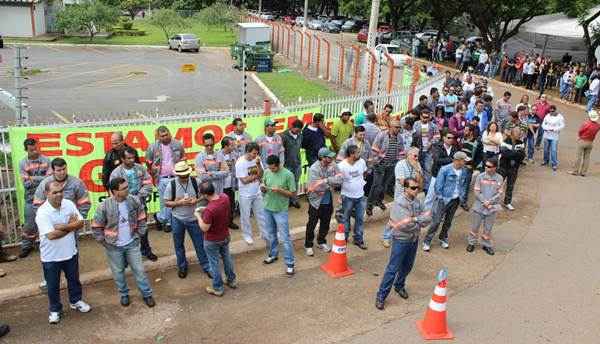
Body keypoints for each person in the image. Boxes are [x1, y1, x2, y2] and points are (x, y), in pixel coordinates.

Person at [92, 177, 155, 307]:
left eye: (127, 187)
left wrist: (139, 234)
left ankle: (147, 294)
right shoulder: (104, 206)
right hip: (113, 247)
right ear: (115, 191)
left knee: (140, 270)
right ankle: (124, 294)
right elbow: (96, 227)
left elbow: (142, 218)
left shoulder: (133, 200)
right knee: (118, 273)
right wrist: (105, 243)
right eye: (124, 188)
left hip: (132, 243)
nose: (128, 190)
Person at [36, 181, 91, 324]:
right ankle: (55, 310)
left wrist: (64, 226)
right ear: (47, 194)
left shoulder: (68, 204)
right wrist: (71, 226)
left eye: (60, 191)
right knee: (53, 285)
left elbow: (80, 222)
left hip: (70, 252)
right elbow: (51, 236)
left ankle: (76, 301)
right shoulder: (42, 212)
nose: (59, 194)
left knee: (74, 280)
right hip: (51, 257)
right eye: (55, 192)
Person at [375, 178, 431, 310]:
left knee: (407, 266)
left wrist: (415, 219)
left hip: (413, 239)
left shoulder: (417, 201)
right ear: (405, 188)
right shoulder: (400, 203)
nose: (416, 190)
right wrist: (418, 222)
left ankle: (399, 286)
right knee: (392, 269)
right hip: (401, 240)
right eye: (412, 187)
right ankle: (381, 296)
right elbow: (405, 226)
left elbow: (428, 216)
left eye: (417, 187)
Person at [164, 161, 211, 279]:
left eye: (186, 175)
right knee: (178, 244)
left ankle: (206, 266)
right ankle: (182, 266)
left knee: (200, 244)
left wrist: (196, 200)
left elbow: (204, 195)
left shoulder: (196, 182)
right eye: (182, 176)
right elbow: (166, 203)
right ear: (177, 175)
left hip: (194, 218)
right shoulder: (171, 185)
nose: (184, 178)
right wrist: (179, 202)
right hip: (177, 219)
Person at [109, 147, 157, 261]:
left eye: (133, 157)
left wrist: (139, 196)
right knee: (125, 231)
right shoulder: (116, 173)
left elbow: (148, 183)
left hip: (140, 204)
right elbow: (113, 191)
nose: (131, 160)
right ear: (122, 159)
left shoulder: (140, 168)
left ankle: (146, 251)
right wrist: (127, 199)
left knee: (143, 229)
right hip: (123, 207)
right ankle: (126, 257)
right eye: (128, 158)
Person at [195, 181, 237, 297]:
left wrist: (198, 216)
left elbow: (204, 227)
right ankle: (232, 280)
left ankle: (218, 288)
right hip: (225, 235)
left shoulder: (210, 210)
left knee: (214, 263)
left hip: (212, 240)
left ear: (204, 195)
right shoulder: (225, 198)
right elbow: (215, 207)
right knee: (227, 258)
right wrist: (206, 209)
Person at [423, 152, 468, 252]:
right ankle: (427, 240)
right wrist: (441, 198)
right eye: (464, 160)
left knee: (448, 221)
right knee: (436, 221)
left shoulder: (464, 171)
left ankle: (442, 237)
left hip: (455, 200)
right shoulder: (445, 169)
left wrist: (462, 197)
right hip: (443, 200)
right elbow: (438, 186)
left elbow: (464, 185)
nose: (465, 162)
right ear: (458, 160)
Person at [260, 155, 297, 276]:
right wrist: (263, 188)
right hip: (267, 208)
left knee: (285, 238)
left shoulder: (288, 174)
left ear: (279, 165)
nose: (271, 170)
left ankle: (290, 264)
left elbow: (292, 193)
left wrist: (280, 190)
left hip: (281, 210)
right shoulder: (267, 172)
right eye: (269, 168)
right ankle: (273, 255)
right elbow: (264, 186)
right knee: (271, 234)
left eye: (273, 169)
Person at [145, 126, 186, 233]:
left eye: (166, 135)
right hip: (161, 178)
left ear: (169, 133)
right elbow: (148, 161)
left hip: (176, 177)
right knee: (164, 202)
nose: (164, 137)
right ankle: (165, 221)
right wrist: (152, 170)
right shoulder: (152, 147)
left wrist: (182, 164)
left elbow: (183, 157)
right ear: (158, 137)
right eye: (162, 136)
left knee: (175, 200)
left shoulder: (177, 144)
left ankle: (163, 219)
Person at [381, 147, 423, 248]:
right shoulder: (400, 164)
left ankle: (406, 235)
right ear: (408, 155)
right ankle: (386, 237)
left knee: (409, 217)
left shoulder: (417, 165)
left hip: (412, 197)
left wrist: (417, 170)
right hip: (401, 197)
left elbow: (420, 184)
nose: (417, 158)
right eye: (415, 156)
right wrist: (414, 186)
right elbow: (402, 182)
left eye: (418, 156)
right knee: (394, 217)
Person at [18, 138, 52, 258]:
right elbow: (26, 184)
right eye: (32, 150)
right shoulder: (22, 163)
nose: (35, 151)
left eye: (36, 148)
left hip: (45, 197)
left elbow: (49, 180)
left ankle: (48, 244)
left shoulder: (47, 160)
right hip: (30, 198)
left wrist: (33, 178)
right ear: (26, 150)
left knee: (49, 221)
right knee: (29, 224)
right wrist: (40, 179)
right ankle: (27, 246)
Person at [305, 148, 341, 256]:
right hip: (315, 202)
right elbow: (315, 187)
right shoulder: (314, 169)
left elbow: (340, 179)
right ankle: (308, 245)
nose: (332, 159)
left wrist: (325, 180)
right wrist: (330, 183)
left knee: (325, 223)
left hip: (327, 200)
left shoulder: (333, 164)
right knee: (312, 224)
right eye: (329, 157)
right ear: (322, 158)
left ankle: (321, 241)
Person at [367, 120, 405, 216]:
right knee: (376, 185)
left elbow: (401, 151)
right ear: (390, 127)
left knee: (384, 184)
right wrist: (376, 162)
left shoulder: (399, 138)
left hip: (391, 165)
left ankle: (379, 201)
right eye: (396, 127)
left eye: (399, 127)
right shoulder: (382, 135)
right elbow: (374, 149)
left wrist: (398, 162)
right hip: (381, 164)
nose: (398, 129)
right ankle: (369, 204)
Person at [467, 158, 504, 256]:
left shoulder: (499, 178)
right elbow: (476, 191)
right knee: (474, 227)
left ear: (495, 167)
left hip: (491, 207)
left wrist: (490, 201)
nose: (486, 168)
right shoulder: (480, 177)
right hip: (479, 206)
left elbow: (500, 193)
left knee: (488, 228)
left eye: (489, 166)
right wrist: (484, 201)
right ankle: (471, 243)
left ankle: (486, 244)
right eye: (486, 166)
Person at [235, 142, 268, 245]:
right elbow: (244, 180)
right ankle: (247, 235)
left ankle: (264, 233)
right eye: (254, 153)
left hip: (257, 191)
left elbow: (262, 174)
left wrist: (258, 165)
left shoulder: (257, 160)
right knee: (245, 216)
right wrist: (256, 176)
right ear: (247, 152)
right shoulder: (240, 163)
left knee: (261, 214)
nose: (255, 155)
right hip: (245, 194)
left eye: (257, 153)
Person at [338, 145, 368, 249]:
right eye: (358, 152)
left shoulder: (362, 162)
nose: (360, 154)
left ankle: (358, 240)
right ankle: (344, 239)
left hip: (360, 196)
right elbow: (338, 180)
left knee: (360, 219)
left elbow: (364, 173)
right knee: (345, 219)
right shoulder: (342, 166)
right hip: (347, 197)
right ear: (351, 154)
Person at [425, 131, 459, 208]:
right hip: (437, 175)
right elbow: (437, 160)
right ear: (443, 138)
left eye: (452, 138)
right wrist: (452, 159)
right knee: (431, 196)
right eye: (449, 137)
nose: (451, 139)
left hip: (448, 177)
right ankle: (425, 213)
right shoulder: (437, 146)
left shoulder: (454, 148)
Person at [412, 109, 440, 192]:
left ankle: (426, 188)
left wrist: (431, 142)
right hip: (418, 151)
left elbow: (438, 136)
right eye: (424, 117)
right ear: (420, 116)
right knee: (416, 169)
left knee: (428, 170)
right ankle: (415, 186)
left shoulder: (433, 126)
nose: (425, 119)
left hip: (428, 151)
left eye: (427, 117)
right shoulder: (416, 124)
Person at [499, 128, 525, 210]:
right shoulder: (505, 141)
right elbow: (504, 153)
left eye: (520, 133)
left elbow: (522, 156)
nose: (519, 135)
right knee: (497, 185)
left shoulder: (521, 143)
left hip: (514, 168)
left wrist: (511, 153)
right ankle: (493, 201)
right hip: (503, 167)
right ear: (512, 133)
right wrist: (516, 153)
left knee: (510, 186)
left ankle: (507, 202)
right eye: (517, 133)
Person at [216, 137, 239, 229]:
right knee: (221, 206)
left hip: (231, 185)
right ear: (225, 146)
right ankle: (221, 223)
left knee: (231, 204)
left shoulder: (234, 154)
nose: (234, 146)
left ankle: (230, 222)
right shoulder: (217, 155)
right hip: (221, 186)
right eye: (231, 145)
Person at [569, 110, 600, 177]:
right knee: (587, 157)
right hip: (590, 142)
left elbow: (580, 131)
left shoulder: (586, 124)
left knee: (578, 157)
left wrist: (580, 137)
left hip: (583, 140)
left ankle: (575, 171)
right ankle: (583, 172)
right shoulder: (598, 125)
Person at [282, 119, 304, 208]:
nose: (297, 132)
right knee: (286, 184)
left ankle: (294, 200)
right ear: (292, 127)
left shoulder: (300, 136)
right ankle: (286, 202)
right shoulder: (284, 136)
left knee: (295, 183)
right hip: (287, 164)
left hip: (297, 164)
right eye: (297, 130)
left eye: (299, 131)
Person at [460, 124, 483, 208]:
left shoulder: (477, 143)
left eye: (466, 130)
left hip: (468, 167)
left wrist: (473, 166)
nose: (464, 132)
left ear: (471, 132)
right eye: (464, 130)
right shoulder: (462, 140)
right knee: (459, 183)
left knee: (465, 185)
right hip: (459, 165)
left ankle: (463, 202)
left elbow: (479, 157)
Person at [541, 105, 565, 171]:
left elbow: (562, 125)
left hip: (554, 136)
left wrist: (554, 129)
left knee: (553, 150)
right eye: (550, 111)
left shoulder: (560, 117)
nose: (551, 112)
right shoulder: (547, 116)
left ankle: (554, 163)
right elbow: (543, 124)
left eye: (553, 111)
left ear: (555, 110)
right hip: (546, 135)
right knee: (546, 149)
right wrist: (546, 128)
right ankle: (545, 160)